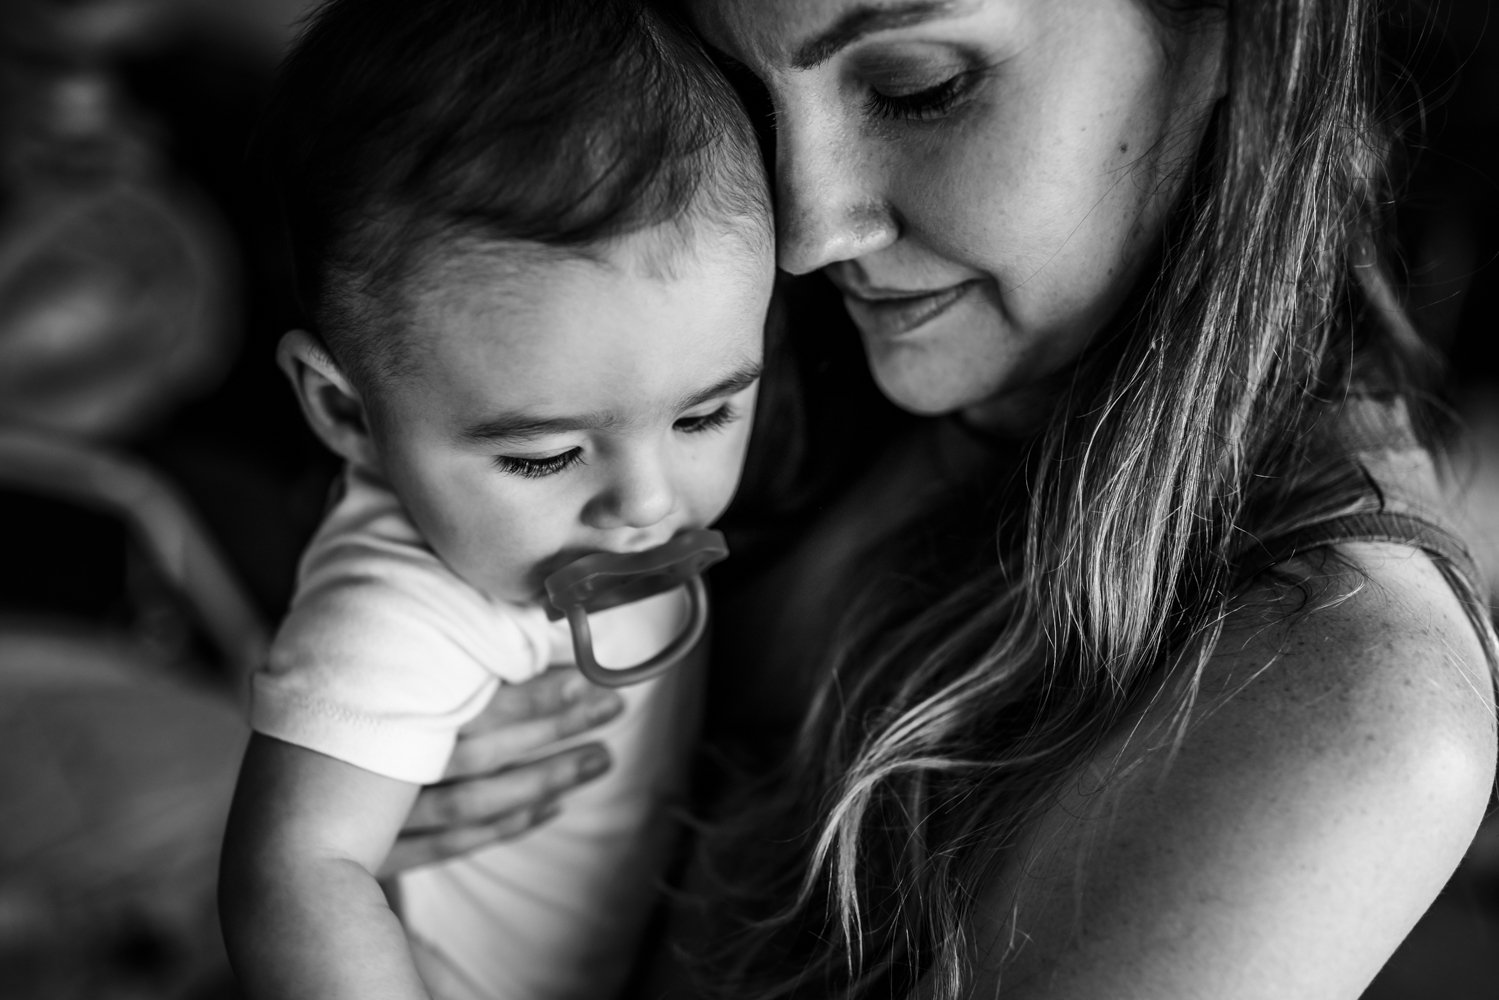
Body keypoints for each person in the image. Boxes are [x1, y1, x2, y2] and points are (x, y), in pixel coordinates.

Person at [381, 0, 1499, 997]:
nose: (807, 229)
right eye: (738, 94)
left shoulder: (1345, 698)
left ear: (1225, 34)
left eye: (919, 88)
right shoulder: (777, 353)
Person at [214, 1, 773, 998]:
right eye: (543, 458)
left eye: (704, 418)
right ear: (345, 413)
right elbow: (294, 871)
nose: (644, 504)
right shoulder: (404, 604)